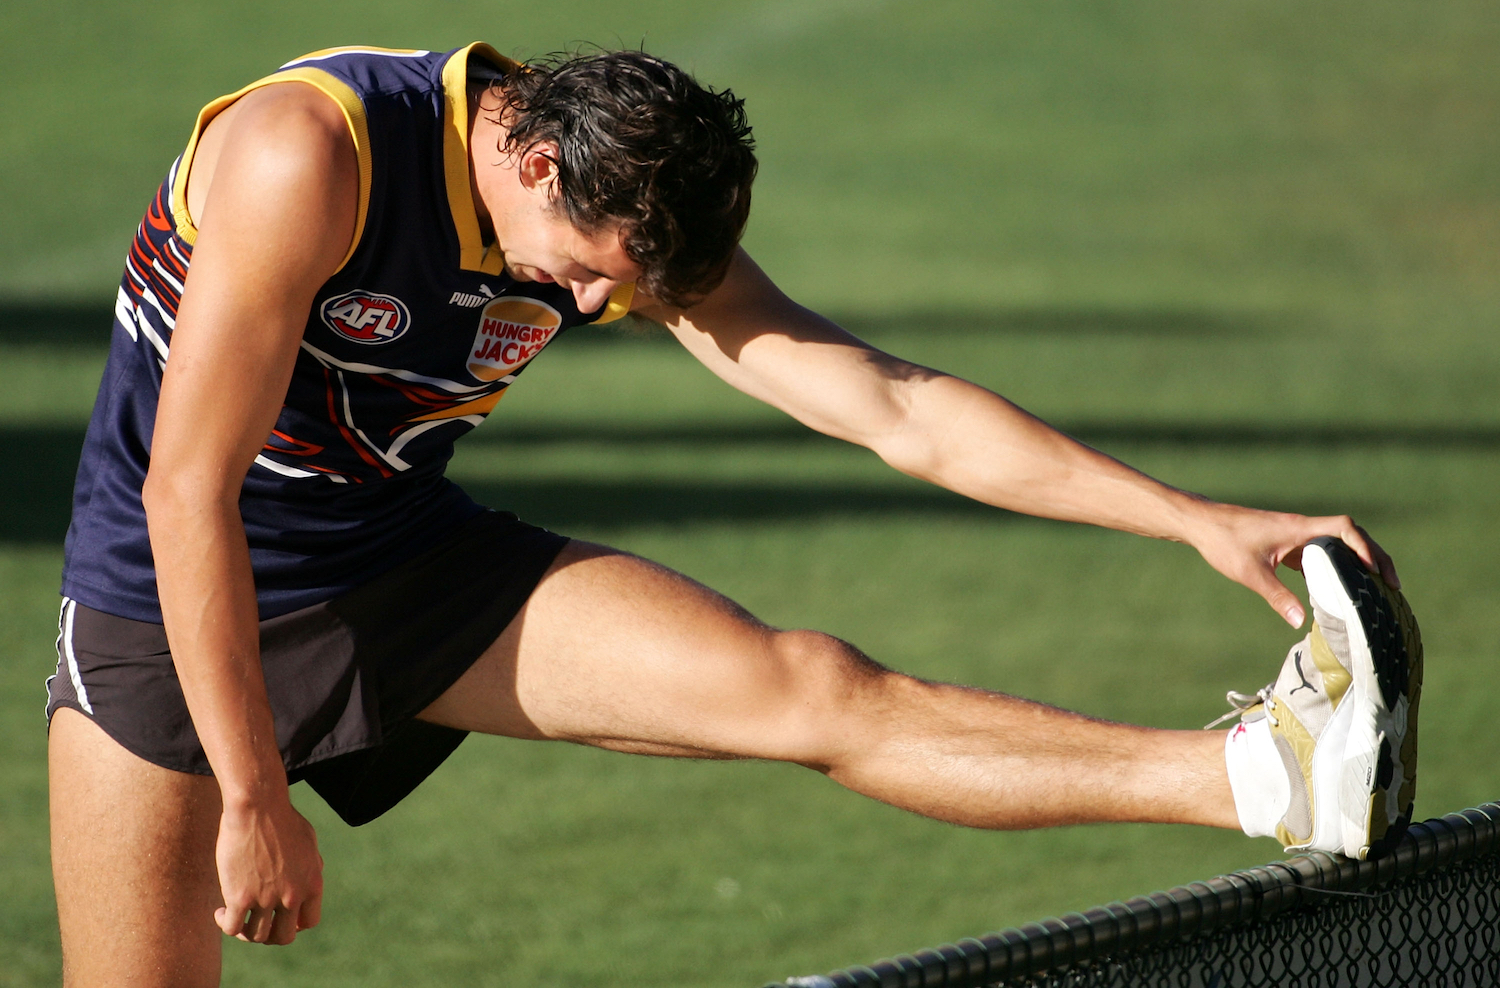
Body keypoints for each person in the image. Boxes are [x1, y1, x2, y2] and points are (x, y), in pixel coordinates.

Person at [46, 43, 1421, 985]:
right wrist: (248, 794)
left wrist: (1182, 516)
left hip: (401, 560)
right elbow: (186, 493)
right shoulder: (312, 150)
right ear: (525, 154)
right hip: (164, 611)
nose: (589, 310)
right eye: (588, 279)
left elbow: (892, 406)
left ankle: (1264, 777)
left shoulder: (621, 198)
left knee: (807, 684)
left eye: (617, 290)